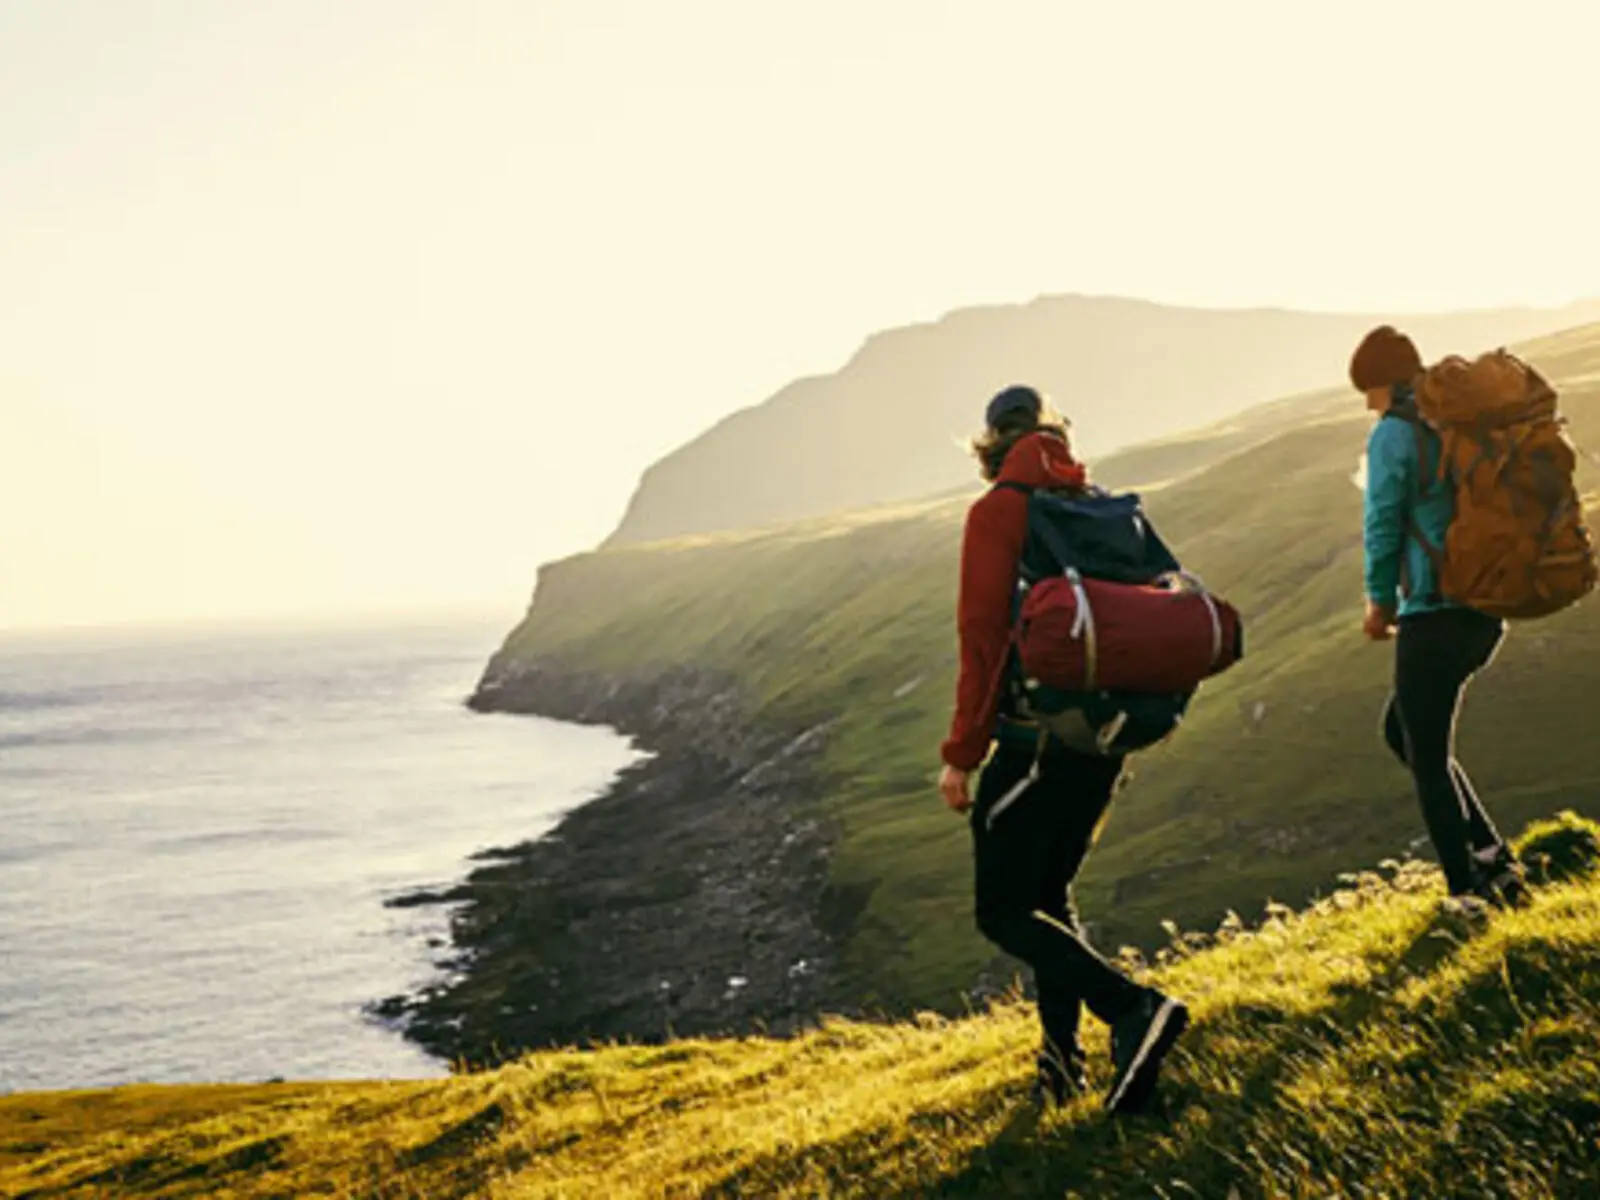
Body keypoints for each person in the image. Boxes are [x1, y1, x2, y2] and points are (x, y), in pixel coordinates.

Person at [938, 384, 1188, 1117]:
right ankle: (1060, 1067)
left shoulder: (998, 512)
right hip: (1103, 738)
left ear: (990, 446)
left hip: (1033, 743)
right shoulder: (1098, 502)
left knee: (1002, 911)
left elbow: (983, 641)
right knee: (1049, 898)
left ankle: (1132, 1010)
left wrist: (963, 752)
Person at [1350, 326, 1528, 908]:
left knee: (1424, 752)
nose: (1368, 405)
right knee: (1401, 730)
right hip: (1485, 607)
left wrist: (1380, 602)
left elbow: (1381, 525)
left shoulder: (1394, 436)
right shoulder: (1456, 425)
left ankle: (1467, 893)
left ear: (1382, 383)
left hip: (1435, 612)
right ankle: (1490, 855)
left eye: (1368, 392)